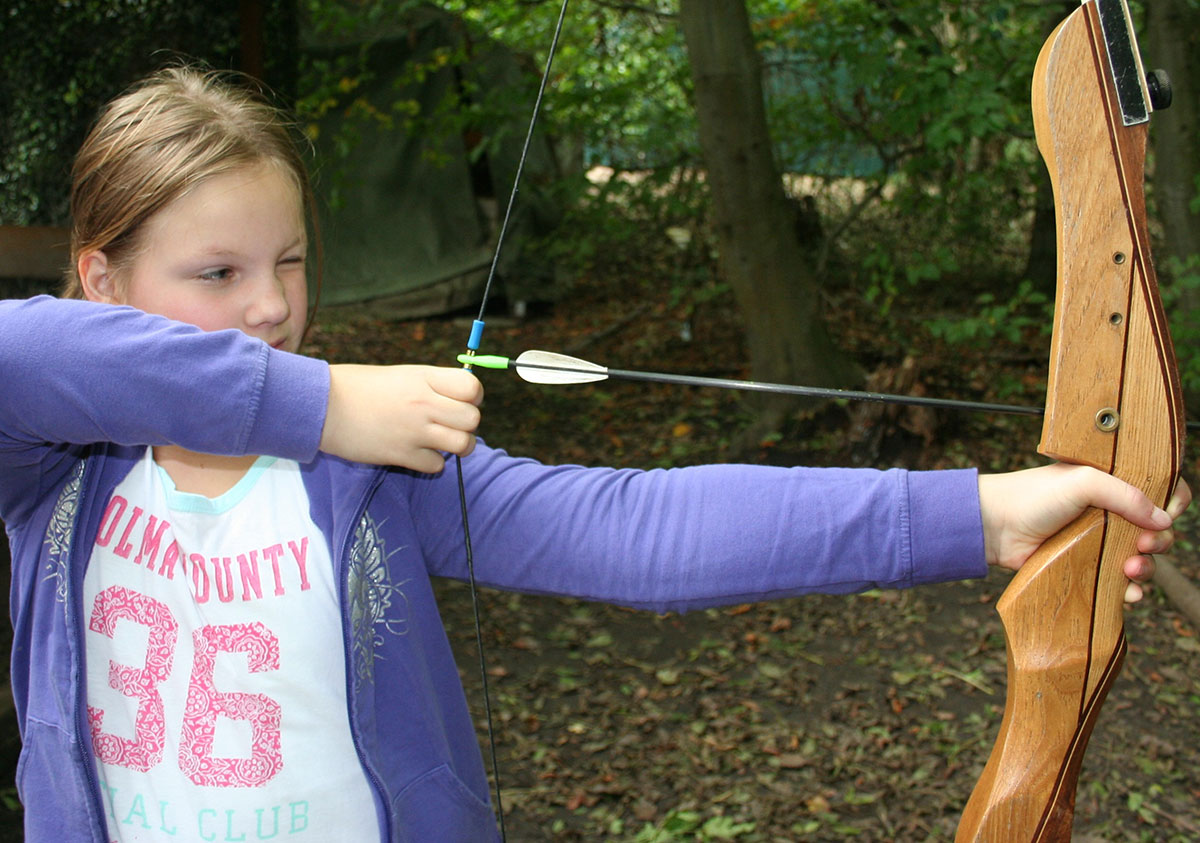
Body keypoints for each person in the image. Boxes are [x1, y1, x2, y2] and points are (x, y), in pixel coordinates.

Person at [0, 67, 1187, 843]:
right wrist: (315, 403)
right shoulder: (57, 475)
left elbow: (635, 529)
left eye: (291, 261)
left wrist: (981, 515)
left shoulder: (371, 477)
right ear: (102, 281)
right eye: (216, 274)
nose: (269, 308)